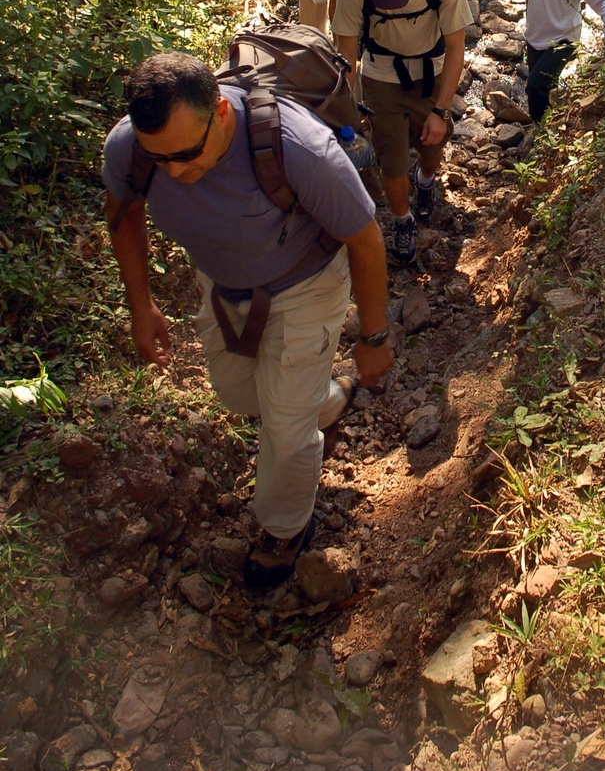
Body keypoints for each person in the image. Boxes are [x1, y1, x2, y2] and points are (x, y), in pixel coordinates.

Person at [103, 52, 392, 589]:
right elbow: (123, 217)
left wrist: (373, 336)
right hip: (221, 286)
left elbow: (365, 238)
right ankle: (322, 400)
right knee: (238, 396)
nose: (174, 172)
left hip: (307, 286)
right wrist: (141, 305)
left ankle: (283, 530)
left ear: (221, 113)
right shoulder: (130, 150)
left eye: (186, 154)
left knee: (285, 425)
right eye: (158, 158)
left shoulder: (297, 147)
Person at [333, 0, 471, 265]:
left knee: (433, 141)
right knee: (391, 159)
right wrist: (346, 112)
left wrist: (440, 110)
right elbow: (347, 57)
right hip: (381, 75)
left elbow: (456, 49)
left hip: (431, 71)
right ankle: (402, 221)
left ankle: (425, 181)